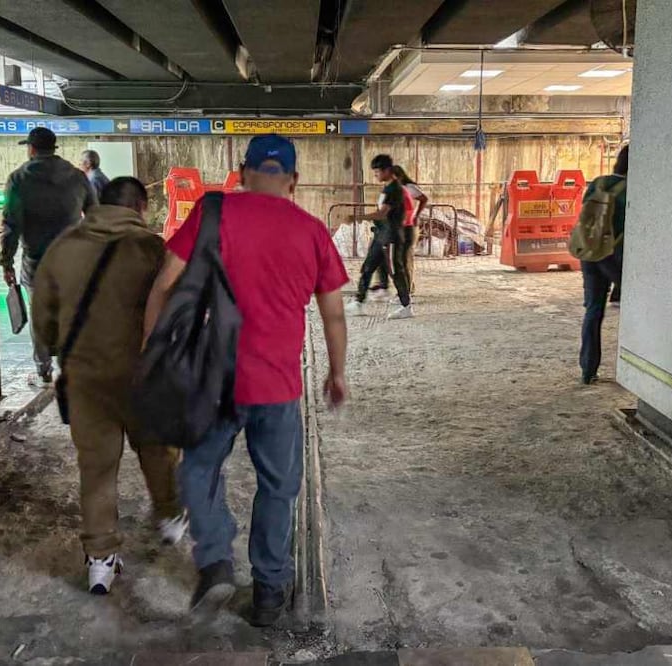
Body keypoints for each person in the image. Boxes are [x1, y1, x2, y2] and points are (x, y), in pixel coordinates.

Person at [143, 134, 349, 627]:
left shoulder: (212, 214)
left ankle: (215, 558)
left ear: (242, 172)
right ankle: (269, 593)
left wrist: (152, 353)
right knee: (278, 487)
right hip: (278, 388)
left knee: (197, 469)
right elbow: (334, 315)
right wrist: (337, 372)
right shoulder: (312, 231)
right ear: (293, 181)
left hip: (214, 382)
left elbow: (164, 282)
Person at [32, 177, 187, 595]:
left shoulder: (63, 248)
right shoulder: (152, 250)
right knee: (157, 449)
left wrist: (49, 351)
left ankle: (100, 560)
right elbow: (175, 309)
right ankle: (170, 516)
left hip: (85, 377)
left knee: (97, 468)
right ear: (141, 206)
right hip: (142, 375)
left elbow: (43, 313)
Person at [0, 127, 97, 386]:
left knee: (40, 314)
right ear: (53, 148)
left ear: (31, 149)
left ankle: (43, 369)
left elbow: (11, 225)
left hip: (36, 262)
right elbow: (95, 214)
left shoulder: (18, 178)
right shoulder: (78, 177)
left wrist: (5, 261)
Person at [579, 144, 628, 385]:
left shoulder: (597, 182)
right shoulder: (630, 189)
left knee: (593, 310)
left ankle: (588, 369)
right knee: (636, 307)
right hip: (614, 254)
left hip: (589, 252)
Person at [343, 154, 413, 320]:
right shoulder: (386, 188)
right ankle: (358, 302)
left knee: (396, 271)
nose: (375, 175)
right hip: (381, 235)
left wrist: (357, 218)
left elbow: (382, 213)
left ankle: (406, 306)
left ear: (387, 170)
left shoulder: (395, 189)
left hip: (392, 237)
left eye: (377, 172)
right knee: (368, 267)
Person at [392, 165, 428, 294]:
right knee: (401, 258)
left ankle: (406, 289)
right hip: (400, 225)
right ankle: (407, 287)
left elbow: (424, 199)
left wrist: (417, 215)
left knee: (405, 258)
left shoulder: (409, 188)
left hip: (409, 226)